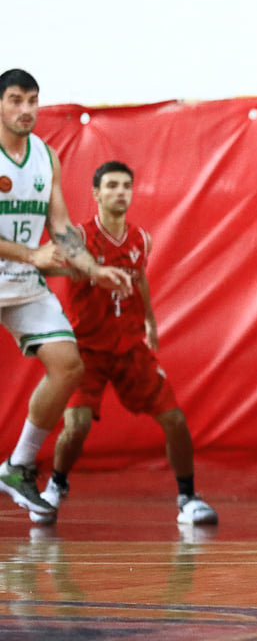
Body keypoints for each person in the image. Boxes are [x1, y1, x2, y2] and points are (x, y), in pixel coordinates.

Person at [29, 160, 218, 527]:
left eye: (126, 186)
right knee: (77, 425)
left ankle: (187, 498)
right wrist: (80, 270)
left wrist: (149, 319)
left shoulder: (140, 239)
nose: (120, 192)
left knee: (175, 419)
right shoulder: (79, 238)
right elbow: (41, 264)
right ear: (96, 194)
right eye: (112, 185)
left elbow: (140, 278)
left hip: (130, 347)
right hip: (88, 349)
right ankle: (56, 485)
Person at [0, 68, 133, 520]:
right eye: (15, 100)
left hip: (20, 279)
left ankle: (18, 466)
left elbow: (59, 225)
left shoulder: (45, 156)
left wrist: (95, 269)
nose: (26, 110)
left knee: (68, 365)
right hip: (22, 261)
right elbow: (38, 249)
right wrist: (29, 254)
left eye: (32, 100)